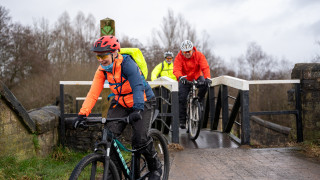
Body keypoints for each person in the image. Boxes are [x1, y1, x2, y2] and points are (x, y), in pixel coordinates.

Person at [72, 35, 162, 179]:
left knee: (139, 139)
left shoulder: (127, 64)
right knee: (109, 137)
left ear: (114, 53)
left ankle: (156, 166)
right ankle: (113, 176)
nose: (100, 60)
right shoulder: (102, 70)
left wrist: (138, 109)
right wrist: (82, 114)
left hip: (143, 101)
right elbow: (93, 93)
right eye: (98, 57)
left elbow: (138, 86)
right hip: (121, 102)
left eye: (103, 56)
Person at [173, 40, 212, 129]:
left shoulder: (199, 55)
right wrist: (180, 77)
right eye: (184, 52)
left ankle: (199, 100)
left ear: (192, 50)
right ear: (181, 51)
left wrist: (208, 78)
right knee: (182, 98)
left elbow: (205, 67)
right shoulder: (178, 57)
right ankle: (182, 120)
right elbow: (176, 69)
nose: (187, 53)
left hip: (197, 76)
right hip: (184, 78)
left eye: (189, 51)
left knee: (205, 85)